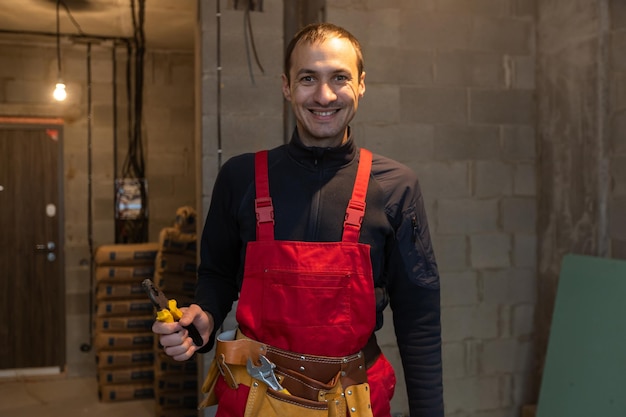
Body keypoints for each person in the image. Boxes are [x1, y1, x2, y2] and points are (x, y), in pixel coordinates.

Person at [152, 22, 444, 417]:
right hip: (253, 398)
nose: (324, 95)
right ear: (287, 86)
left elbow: (419, 321)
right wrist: (202, 318)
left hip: (354, 402)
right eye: (308, 78)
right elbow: (217, 276)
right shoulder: (239, 179)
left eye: (339, 77)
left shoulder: (396, 188)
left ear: (360, 84)